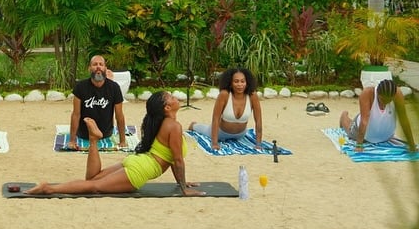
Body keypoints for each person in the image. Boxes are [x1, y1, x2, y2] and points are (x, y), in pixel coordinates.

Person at [26, 91, 204, 196]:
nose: (175, 98)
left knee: (92, 179)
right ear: (167, 107)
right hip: (139, 170)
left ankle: (94, 140)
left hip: (138, 161)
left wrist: (183, 182)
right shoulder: (174, 126)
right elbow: (178, 160)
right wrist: (184, 189)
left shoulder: (162, 123)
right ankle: (48, 188)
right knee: (93, 186)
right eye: (171, 97)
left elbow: (174, 159)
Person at [188, 67, 264, 151]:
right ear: (230, 83)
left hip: (240, 134)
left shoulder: (252, 96)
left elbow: (258, 120)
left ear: (247, 83)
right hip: (221, 133)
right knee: (204, 129)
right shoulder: (224, 95)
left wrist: (258, 144)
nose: (240, 84)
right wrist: (214, 143)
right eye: (236, 81)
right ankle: (193, 125)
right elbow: (215, 119)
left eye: (243, 81)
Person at [339, 78, 417, 152]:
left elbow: (404, 120)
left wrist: (412, 145)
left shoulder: (397, 94)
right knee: (349, 129)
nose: (386, 102)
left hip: (386, 136)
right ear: (378, 94)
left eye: (389, 100)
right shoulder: (368, 93)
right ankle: (344, 116)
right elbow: (364, 121)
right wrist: (359, 145)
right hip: (363, 132)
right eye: (383, 99)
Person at [66, 54, 126, 150]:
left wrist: (122, 141)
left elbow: (119, 115)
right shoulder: (80, 87)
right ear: (90, 68)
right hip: (84, 134)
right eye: (95, 64)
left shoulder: (114, 88)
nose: (98, 66)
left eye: (101, 64)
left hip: (106, 134)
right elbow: (76, 114)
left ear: (105, 68)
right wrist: (72, 141)